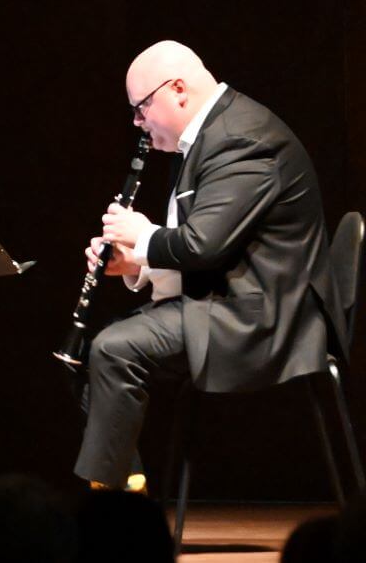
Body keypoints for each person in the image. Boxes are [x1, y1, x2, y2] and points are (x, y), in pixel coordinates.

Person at [77, 40, 345, 491]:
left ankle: (110, 509)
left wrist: (141, 235)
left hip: (265, 317)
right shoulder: (208, 137)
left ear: (178, 90)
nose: (138, 123)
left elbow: (204, 246)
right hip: (227, 299)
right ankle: (126, 489)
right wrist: (133, 264)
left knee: (114, 349)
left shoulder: (241, 139)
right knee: (93, 354)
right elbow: (214, 249)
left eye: (142, 108)